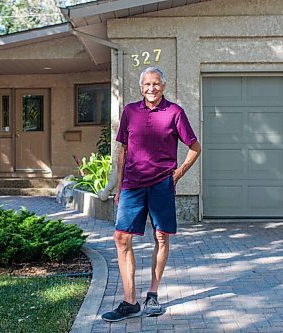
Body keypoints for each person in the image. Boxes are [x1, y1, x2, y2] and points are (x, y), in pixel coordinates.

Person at [101, 67, 201, 322]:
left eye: (156, 84)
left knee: (161, 236)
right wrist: (120, 187)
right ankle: (129, 301)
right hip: (133, 185)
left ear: (163, 87)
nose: (151, 88)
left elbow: (195, 147)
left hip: (161, 185)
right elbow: (123, 150)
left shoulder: (174, 112)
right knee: (121, 238)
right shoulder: (130, 112)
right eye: (147, 84)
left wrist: (177, 174)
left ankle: (153, 295)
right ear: (141, 87)